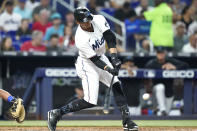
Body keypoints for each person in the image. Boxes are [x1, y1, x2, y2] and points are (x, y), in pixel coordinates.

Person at [47, 7, 138, 131]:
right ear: (78, 22)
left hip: (101, 56)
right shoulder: (80, 38)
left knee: (116, 84)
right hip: (87, 64)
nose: (88, 22)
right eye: (85, 21)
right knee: (90, 101)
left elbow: (110, 37)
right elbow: (94, 60)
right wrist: (108, 69)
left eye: (89, 19)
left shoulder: (98, 19)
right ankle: (57, 113)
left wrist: (114, 57)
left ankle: (127, 122)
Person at [145, 46, 189, 116]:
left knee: (166, 114)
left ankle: (160, 113)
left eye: (162, 53)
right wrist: (161, 67)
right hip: (156, 91)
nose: (160, 54)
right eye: (159, 53)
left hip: (169, 92)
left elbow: (186, 65)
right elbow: (146, 67)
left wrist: (174, 67)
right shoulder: (153, 62)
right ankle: (161, 109)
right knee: (160, 87)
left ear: (165, 53)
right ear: (156, 54)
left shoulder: (170, 61)